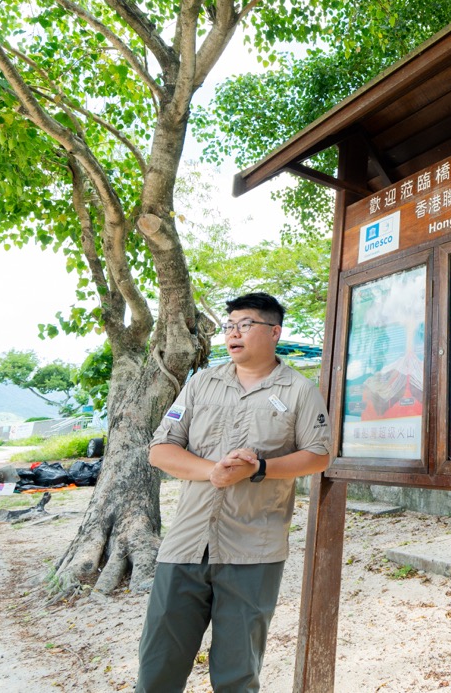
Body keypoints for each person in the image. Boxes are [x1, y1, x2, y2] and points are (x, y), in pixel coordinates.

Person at [136, 292, 330, 693]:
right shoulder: (200, 384)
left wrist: (259, 468)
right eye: (230, 326)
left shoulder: (299, 390)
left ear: (274, 332)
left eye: (245, 325)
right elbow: (161, 450)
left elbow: (318, 456)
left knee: (237, 673)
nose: (234, 333)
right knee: (158, 666)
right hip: (186, 545)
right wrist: (214, 472)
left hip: (253, 549)